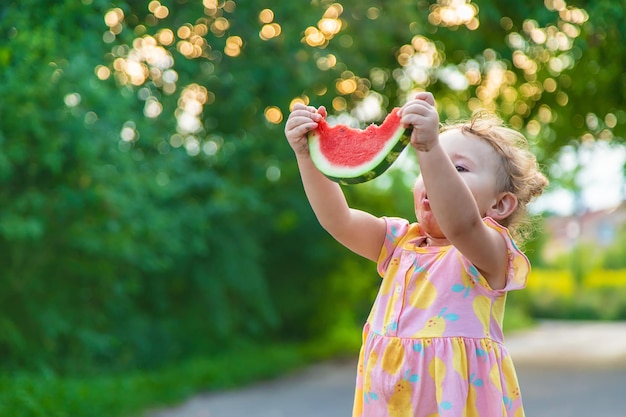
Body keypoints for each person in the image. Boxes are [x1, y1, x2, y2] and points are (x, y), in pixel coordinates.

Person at [284, 92, 549, 417]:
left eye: (458, 168)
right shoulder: (399, 242)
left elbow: (462, 224)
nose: (433, 176)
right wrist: (307, 157)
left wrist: (430, 149)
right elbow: (339, 221)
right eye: (426, 168)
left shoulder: (489, 253)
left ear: (499, 205)